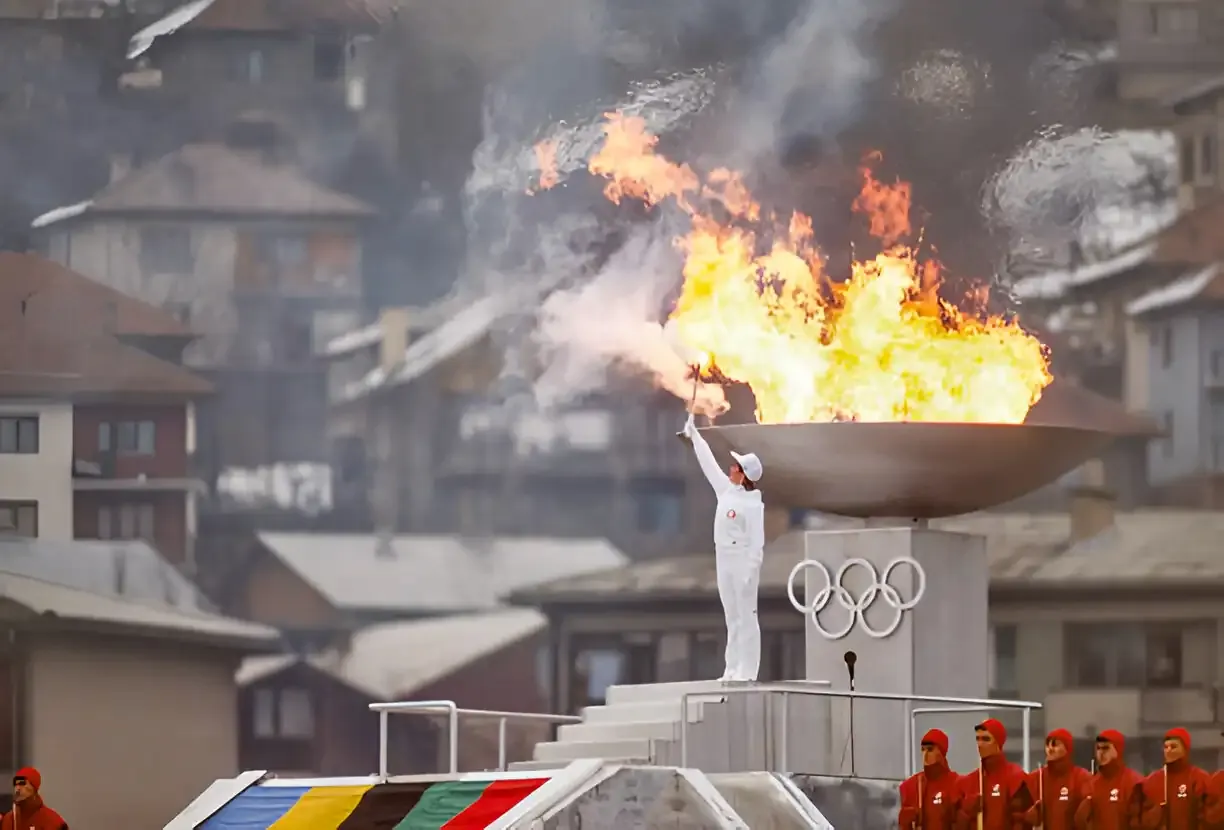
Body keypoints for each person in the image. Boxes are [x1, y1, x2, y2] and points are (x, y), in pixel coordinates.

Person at [681, 412, 765, 682]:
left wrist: (750, 572)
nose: (730, 469)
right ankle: (732, 669)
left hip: (742, 560)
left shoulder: (753, 505)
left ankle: (747, 671)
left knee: (746, 616)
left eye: (736, 467)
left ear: (745, 476)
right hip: (724, 557)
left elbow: (757, 543)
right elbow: (708, 465)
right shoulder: (725, 491)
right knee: (732, 617)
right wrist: (695, 436)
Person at [957, 719, 1031, 830]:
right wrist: (965, 813)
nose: (980, 744)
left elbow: (1021, 822)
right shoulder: (969, 781)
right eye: (978, 739)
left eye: (986, 739)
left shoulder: (1015, 777)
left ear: (998, 742)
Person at [1139, 728, 1219, 830]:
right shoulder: (1152, 780)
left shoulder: (1199, 778)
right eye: (1165, 747)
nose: (1168, 750)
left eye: (1173, 747)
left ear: (1185, 749)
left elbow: (1209, 818)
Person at [1074, 730, 1144, 830]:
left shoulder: (1134, 782)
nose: (1101, 753)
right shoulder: (1091, 783)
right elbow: (1080, 822)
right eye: (1098, 748)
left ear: (1118, 749)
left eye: (1106, 748)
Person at [1023, 729, 1091, 830]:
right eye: (1047, 745)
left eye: (1055, 745)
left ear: (1067, 748)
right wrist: (1027, 816)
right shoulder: (1036, 777)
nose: (1050, 749)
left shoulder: (1081, 777)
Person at [900, 728, 963, 830]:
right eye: (922, 749)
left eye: (930, 749)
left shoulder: (957, 783)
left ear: (942, 753)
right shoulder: (910, 786)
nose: (925, 755)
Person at [2, 768, 67, 830]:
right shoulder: (9, 819)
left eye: (22, 783)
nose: (17, 788)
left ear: (34, 787)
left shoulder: (51, 820)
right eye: (15, 784)